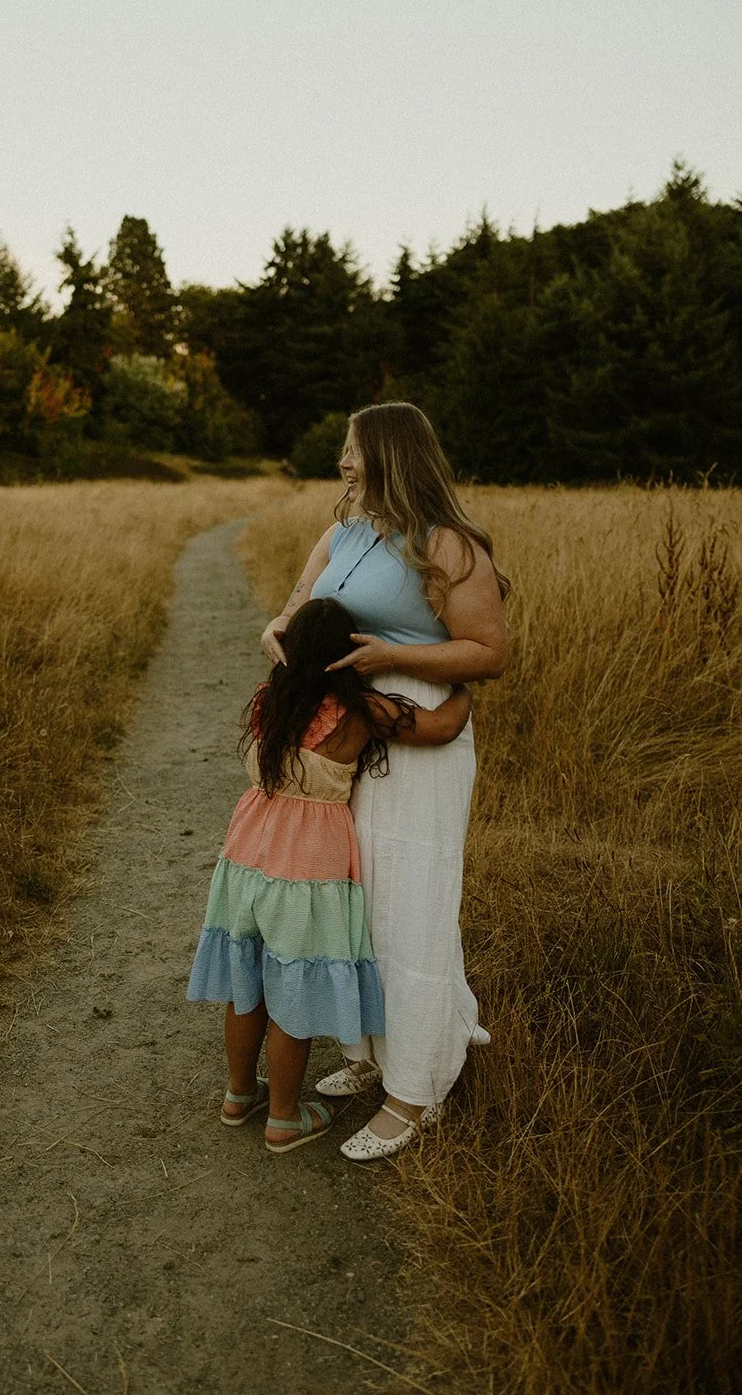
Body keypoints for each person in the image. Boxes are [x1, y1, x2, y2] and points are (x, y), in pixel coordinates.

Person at [260, 402, 509, 1162]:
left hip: (419, 738)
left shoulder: (447, 546)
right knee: (358, 901)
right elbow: (291, 615)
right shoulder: (341, 535)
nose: (341, 462)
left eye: (351, 449)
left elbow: (486, 651)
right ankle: (372, 1052)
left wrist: (387, 662)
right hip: (351, 735)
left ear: (391, 457)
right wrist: (282, 641)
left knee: (413, 910)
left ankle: (416, 1093)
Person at [187, 597, 472, 1153]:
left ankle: (240, 1094)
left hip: (248, 850)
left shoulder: (270, 700)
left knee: (248, 985)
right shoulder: (360, 711)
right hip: (307, 864)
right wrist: (461, 687)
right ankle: (285, 1118)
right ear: (348, 656)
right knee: (293, 989)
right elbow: (440, 728)